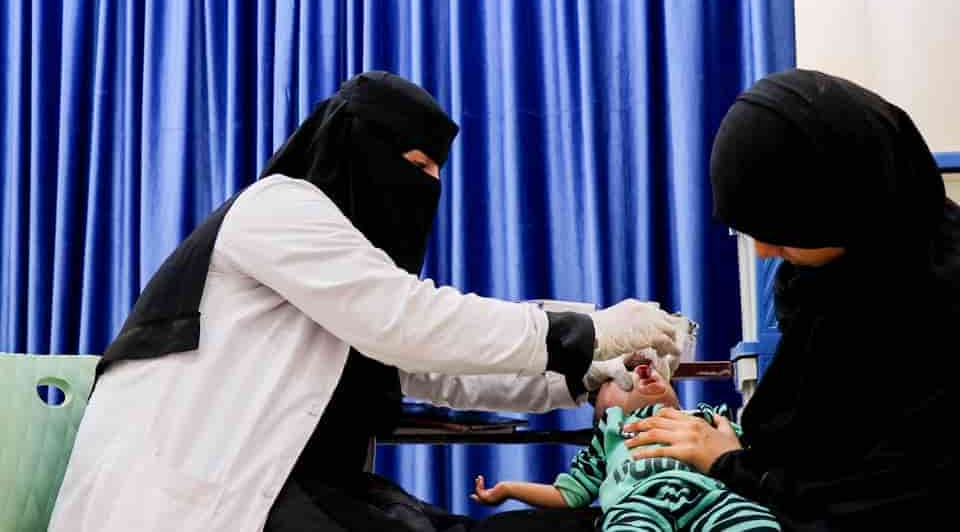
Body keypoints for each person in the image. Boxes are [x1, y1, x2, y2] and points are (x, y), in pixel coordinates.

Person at [48, 71, 683, 532]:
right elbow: (406, 325)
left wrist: (586, 372)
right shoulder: (278, 209)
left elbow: (437, 367)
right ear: (359, 152)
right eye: (416, 164)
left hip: (286, 489)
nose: (427, 187)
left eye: (436, 173)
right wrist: (587, 332)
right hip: (192, 501)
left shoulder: (340, 270)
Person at [621, 69, 958, 530]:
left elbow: (891, 499)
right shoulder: (829, 283)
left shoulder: (936, 314)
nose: (763, 251)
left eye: (782, 230)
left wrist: (736, 468)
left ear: (846, 205)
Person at [471, 363, 780, 531]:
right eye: (621, 377)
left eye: (650, 368)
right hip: (637, 506)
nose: (641, 371)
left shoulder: (704, 416)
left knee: (756, 522)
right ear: (603, 410)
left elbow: (753, 460)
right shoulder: (609, 433)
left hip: (711, 499)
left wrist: (736, 448)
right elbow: (568, 495)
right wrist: (509, 489)